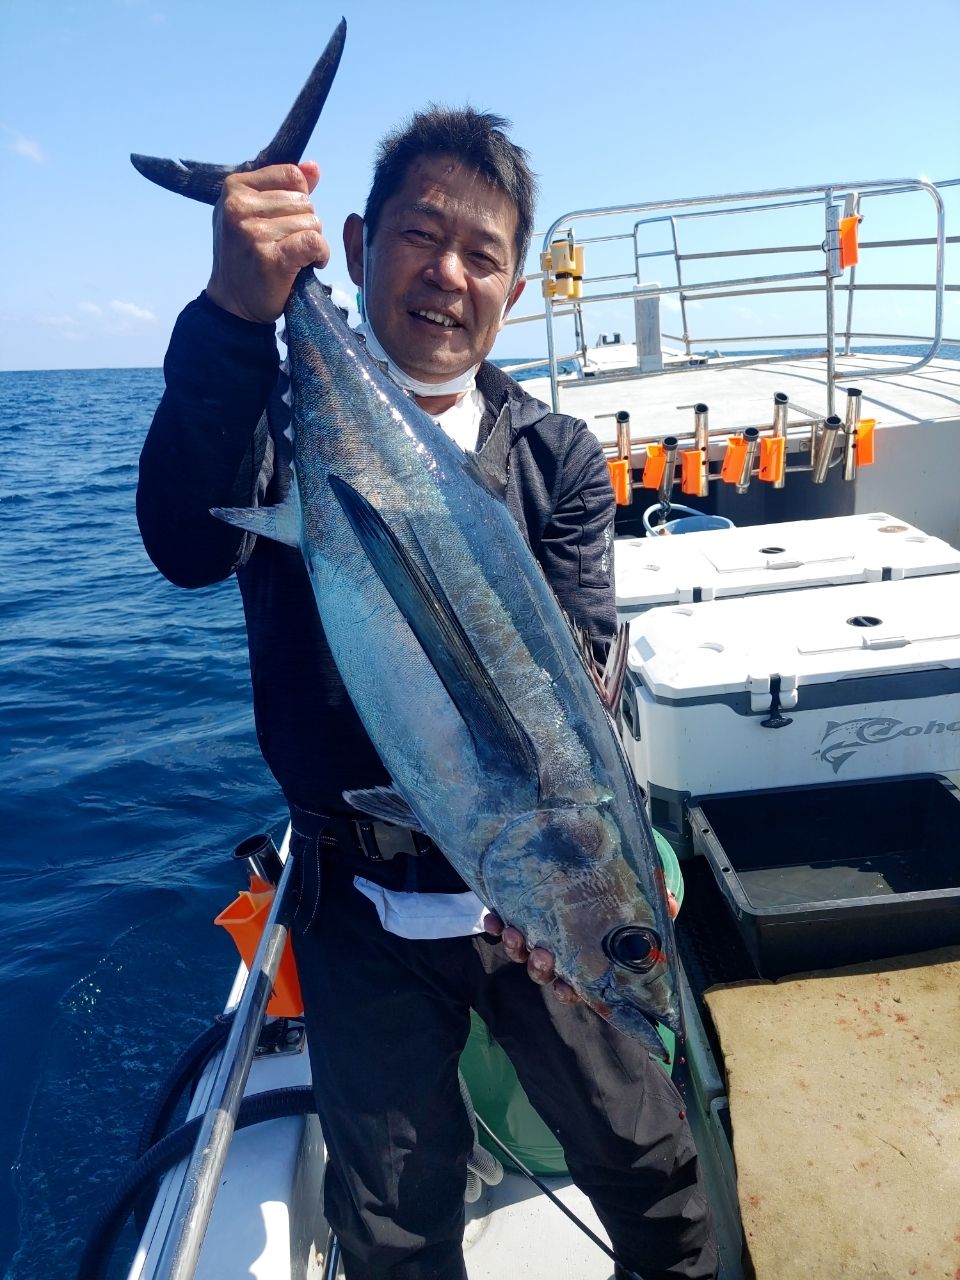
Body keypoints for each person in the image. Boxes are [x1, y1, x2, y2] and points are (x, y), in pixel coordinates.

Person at [137, 106, 718, 1280]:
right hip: (357, 905)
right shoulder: (267, 418)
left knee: (655, 1170)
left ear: (515, 285)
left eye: (486, 253)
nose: (450, 274)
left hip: (528, 926)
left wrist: (579, 916)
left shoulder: (554, 456)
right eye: (421, 235)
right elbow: (185, 543)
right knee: (395, 1222)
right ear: (356, 246)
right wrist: (235, 319)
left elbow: (579, 658)